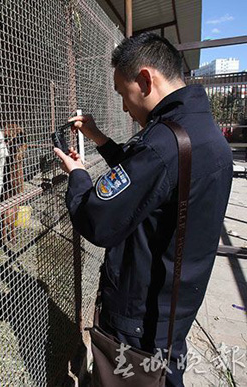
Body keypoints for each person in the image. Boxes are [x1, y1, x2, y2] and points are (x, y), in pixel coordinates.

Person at [54, 32, 233, 386]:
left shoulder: (163, 144)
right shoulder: (202, 132)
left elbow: (97, 219)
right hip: (173, 305)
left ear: (146, 80)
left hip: (138, 313)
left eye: (123, 93)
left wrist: (77, 177)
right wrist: (100, 141)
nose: (124, 106)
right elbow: (154, 185)